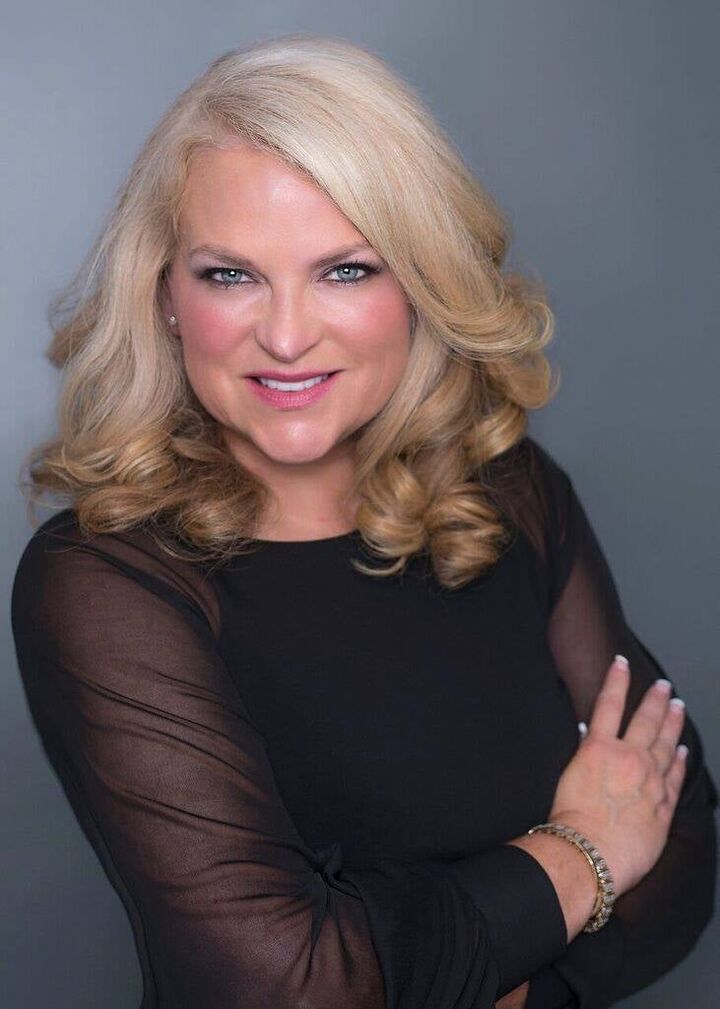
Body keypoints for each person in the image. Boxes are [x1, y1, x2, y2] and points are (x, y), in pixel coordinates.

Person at [10, 33, 717, 1009]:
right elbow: (292, 985)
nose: (287, 334)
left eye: (345, 270)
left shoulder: (509, 495)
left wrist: (472, 977)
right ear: (165, 292)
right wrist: (584, 849)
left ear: (419, 282)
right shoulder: (104, 579)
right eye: (230, 275)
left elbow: (682, 845)